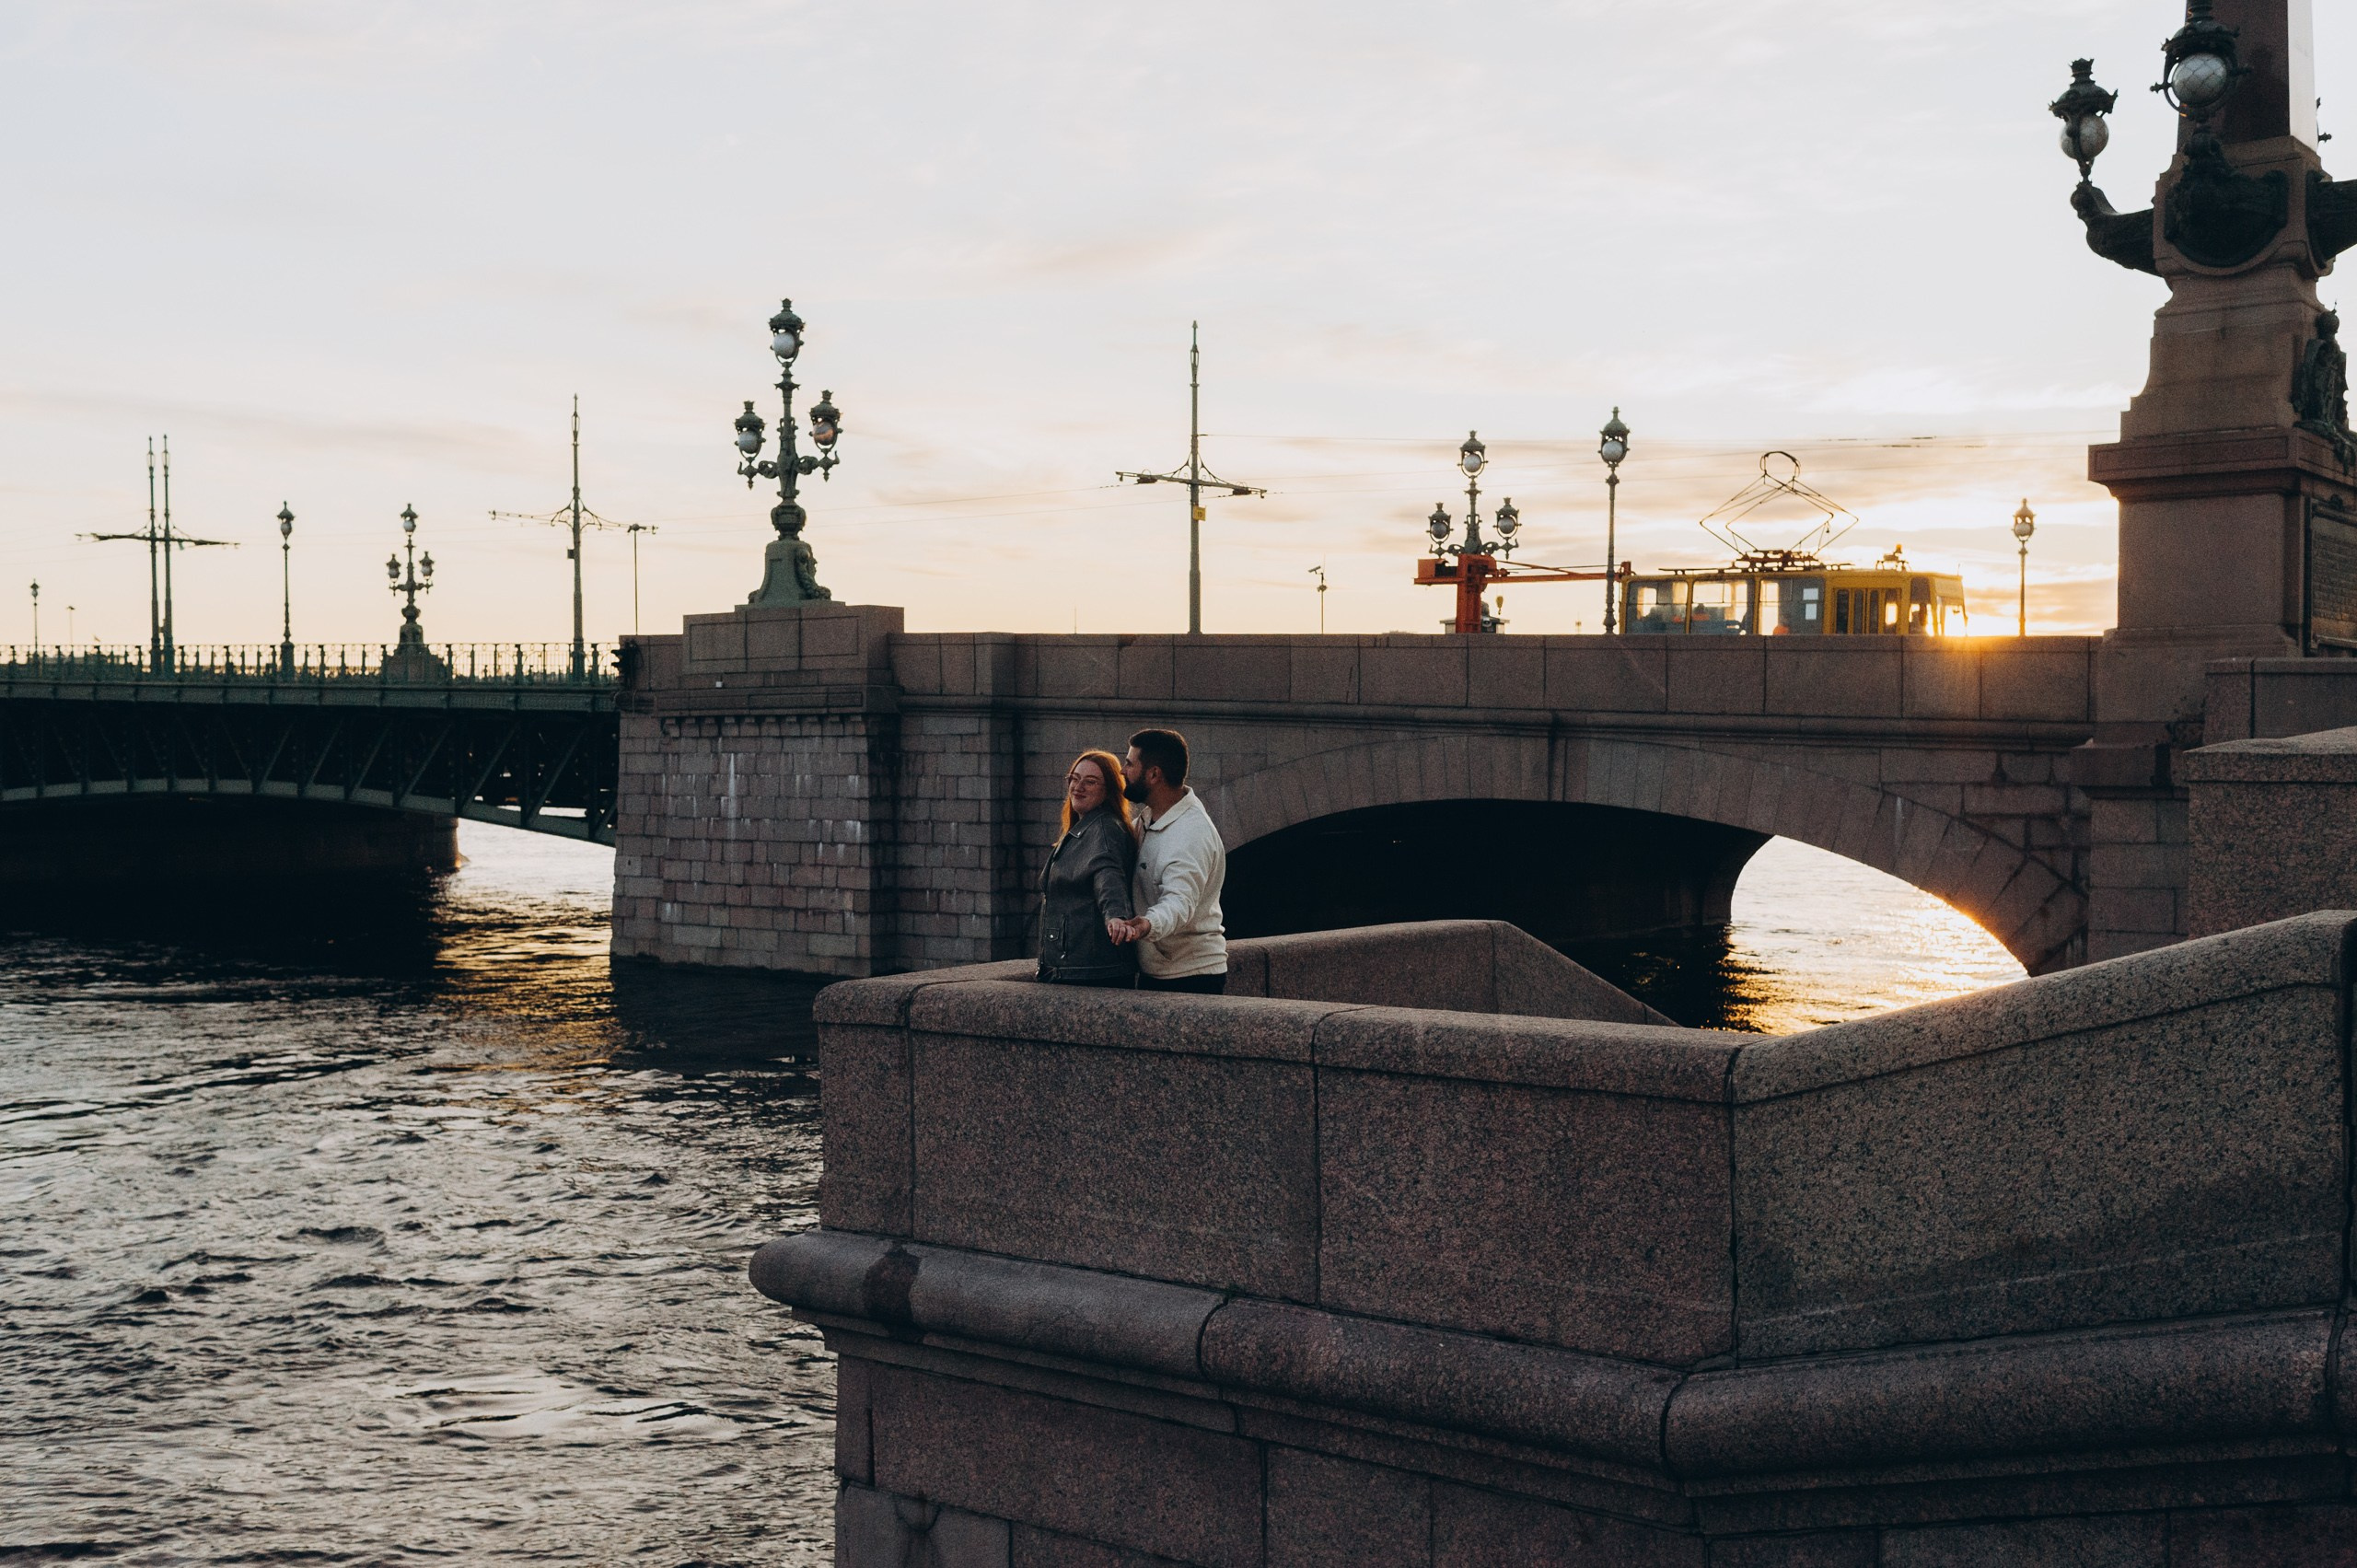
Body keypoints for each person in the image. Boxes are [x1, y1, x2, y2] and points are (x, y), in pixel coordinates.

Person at [1109, 727, 1227, 993]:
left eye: (1129, 763)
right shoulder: (1149, 819)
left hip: (1190, 977)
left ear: (1153, 774)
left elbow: (1179, 902)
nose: (1122, 771)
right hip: (1162, 970)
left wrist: (1146, 924)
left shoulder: (1190, 834)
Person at [1035, 750, 1139, 986]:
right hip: (1077, 968)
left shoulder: (1104, 831)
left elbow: (1108, 875)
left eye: (1090, 781)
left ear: (1109, 790)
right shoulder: (1085, 829)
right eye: (1074, 778)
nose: (1078, 786)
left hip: (1089, 973)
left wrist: (1117, 916)